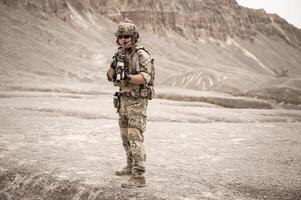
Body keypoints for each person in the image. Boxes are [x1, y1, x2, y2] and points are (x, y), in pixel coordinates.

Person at [106, 22, 154, 188]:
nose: (123, 40)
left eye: (126, 36)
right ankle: (129, 166)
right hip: (123, 101)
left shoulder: (141, 54)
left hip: (137, 102)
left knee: (135, 139)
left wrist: (127, 76)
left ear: (134, 37)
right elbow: (109, 76)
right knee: (125, 138)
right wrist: (114, 64)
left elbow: (147, 78)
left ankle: (139, 176)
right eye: (120, 37)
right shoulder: (119, 54)